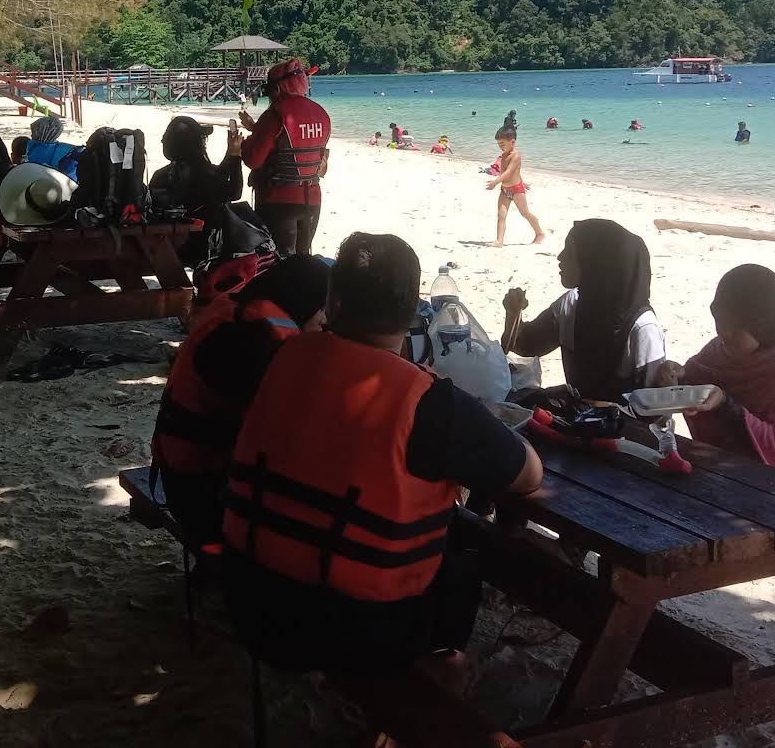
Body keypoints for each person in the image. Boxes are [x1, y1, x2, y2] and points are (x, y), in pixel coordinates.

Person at [222, 233, 542, 678]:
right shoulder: (426, 400)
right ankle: (443, 664)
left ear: (331, 303)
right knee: (470, 548)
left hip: (249, 597)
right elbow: (527, 476)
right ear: (414, 313)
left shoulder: (281, 358)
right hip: (354, 635)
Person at [153, 254, 331, 546]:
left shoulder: (242, 311)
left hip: (186, 473)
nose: (324, 320)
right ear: (303, 302)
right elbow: (273, 437)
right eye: (321, 310)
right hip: (200, 493)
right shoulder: (252, 339)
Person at [664, 264, 775, 486]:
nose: (724, 332)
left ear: (763, 325)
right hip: (726, 483)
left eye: (735, 327)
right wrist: (675, 377)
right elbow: (694, 387)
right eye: (720, 320)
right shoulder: (719, 351)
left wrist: (725, 406)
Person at [501, 219, 666, 400]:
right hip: (580, 419)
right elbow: (525, 345)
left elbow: (655, 407)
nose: (560, 257)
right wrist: (513, 313)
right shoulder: (572, 304)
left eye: (570, 253)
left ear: (594, 263)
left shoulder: (642, 327)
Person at [242, 60, 331, 256]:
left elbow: (253, 160)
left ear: (277, 88)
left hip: (278, 199)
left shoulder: (275, 114)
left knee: (278, 261)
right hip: (312, 198)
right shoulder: (321, 113)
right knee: (302, 258)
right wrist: (257, 129)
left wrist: (243, 143)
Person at [149, 116, 244, 266]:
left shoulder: (160, 175)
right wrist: (235, 155)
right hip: (202, 248)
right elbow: (233, 192)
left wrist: (231, 154)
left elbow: (217, 176)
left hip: (166, 246)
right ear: (197, 144)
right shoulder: (204, 174)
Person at [486, 127, 543, 246]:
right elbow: (515, 172)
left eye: (502, 143)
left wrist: (495, 182)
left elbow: (509, 172)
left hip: (516, 190)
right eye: (498, 144)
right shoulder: (504, 155)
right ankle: (499, 241)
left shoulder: (515, 156)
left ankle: (539, 233)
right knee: (501, 215)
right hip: (505, 190)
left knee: (525, 213)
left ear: (512, 142)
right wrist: (522, 180)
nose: (500, 146)